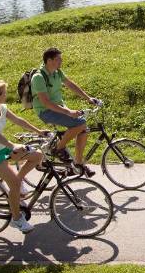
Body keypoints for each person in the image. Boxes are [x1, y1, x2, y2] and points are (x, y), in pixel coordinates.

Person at [0, 80, 47, 234]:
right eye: (4, 93)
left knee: (37, 156)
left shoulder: (2, 108)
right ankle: (16, 219)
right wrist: (12, 146)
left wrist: (38, 131)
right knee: (14, 184)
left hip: (2, 148)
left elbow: (18, 120)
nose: (6, 95)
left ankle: (18, 184)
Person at [31, 47, 99, 176]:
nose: (61, 61)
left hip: (59, 108)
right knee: (80, 123)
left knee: (83, 129)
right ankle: (58, 148)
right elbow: (46, 102)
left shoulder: (57, 72)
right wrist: (68, 112)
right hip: (45, 111)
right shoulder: (38, 77)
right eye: (58, 59)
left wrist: (88, 98)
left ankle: (78, 164)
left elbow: (70, 84)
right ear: (49, 60)